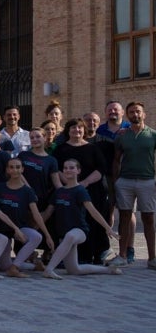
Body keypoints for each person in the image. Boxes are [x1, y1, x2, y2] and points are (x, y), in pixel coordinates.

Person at [42, 159, 123, 278]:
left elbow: (93, 211)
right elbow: (47, 213)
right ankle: (108, 270)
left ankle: (49, 269)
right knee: (74, 270)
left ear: (78, 171)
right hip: (64, 235)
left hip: (79, 231)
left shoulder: (80, 190)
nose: (68, 170)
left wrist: (108, 228)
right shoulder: (59, 192)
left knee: (70, 235)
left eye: (71, 168)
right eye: (65, 168)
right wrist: (34, 226)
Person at [53, 118, 110, 265]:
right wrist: (69, 184)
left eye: (79, 128)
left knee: (91, 222)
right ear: (68, 131)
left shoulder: (93, 148)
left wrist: (84, 183)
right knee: (71, 221)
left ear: (84, 130)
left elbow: (101, 169)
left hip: (91, 190)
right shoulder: (61, 149)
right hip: (68, 191)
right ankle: (71, 256)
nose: (76, 130)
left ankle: (94, 255)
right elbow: (57, 169)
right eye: (73, 128)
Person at [112, 101, 156, 269]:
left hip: (147, 181)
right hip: (126, 181)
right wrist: (116, 181)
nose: (135, 115)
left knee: (148, 218)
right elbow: (116, 160)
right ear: (127, 115)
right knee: (124, 216)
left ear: (144, 114)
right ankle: (122, 255)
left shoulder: (152, 135)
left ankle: (152, 258)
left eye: (138, 112)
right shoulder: (122, 135)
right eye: (131, 112)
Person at [0, 158, 53, 277]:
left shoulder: (28, 191)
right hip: (2, 230)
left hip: (20, 228)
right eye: (11, 167)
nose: (14, 170)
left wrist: (47, 236)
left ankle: (15, 268)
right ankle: (35, 265)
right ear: (7, 170)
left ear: (22, 169)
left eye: (17, 167)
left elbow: (36, 214)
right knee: (5, 266)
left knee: (36, 236)